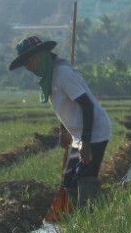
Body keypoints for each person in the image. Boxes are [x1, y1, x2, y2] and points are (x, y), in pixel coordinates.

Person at [9, 35, 111, 204]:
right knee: (69, 180)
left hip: (94, 131)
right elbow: (66, 106)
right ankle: (76, 217)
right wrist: (64, 130)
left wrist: (86, 141)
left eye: (32, 60)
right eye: (26, 64)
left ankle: (92, 214)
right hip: (78, 135)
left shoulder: (63, 73)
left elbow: (87, 105)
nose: (30, 67)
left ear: (41, 56)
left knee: (84, 178)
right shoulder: (51, 75)